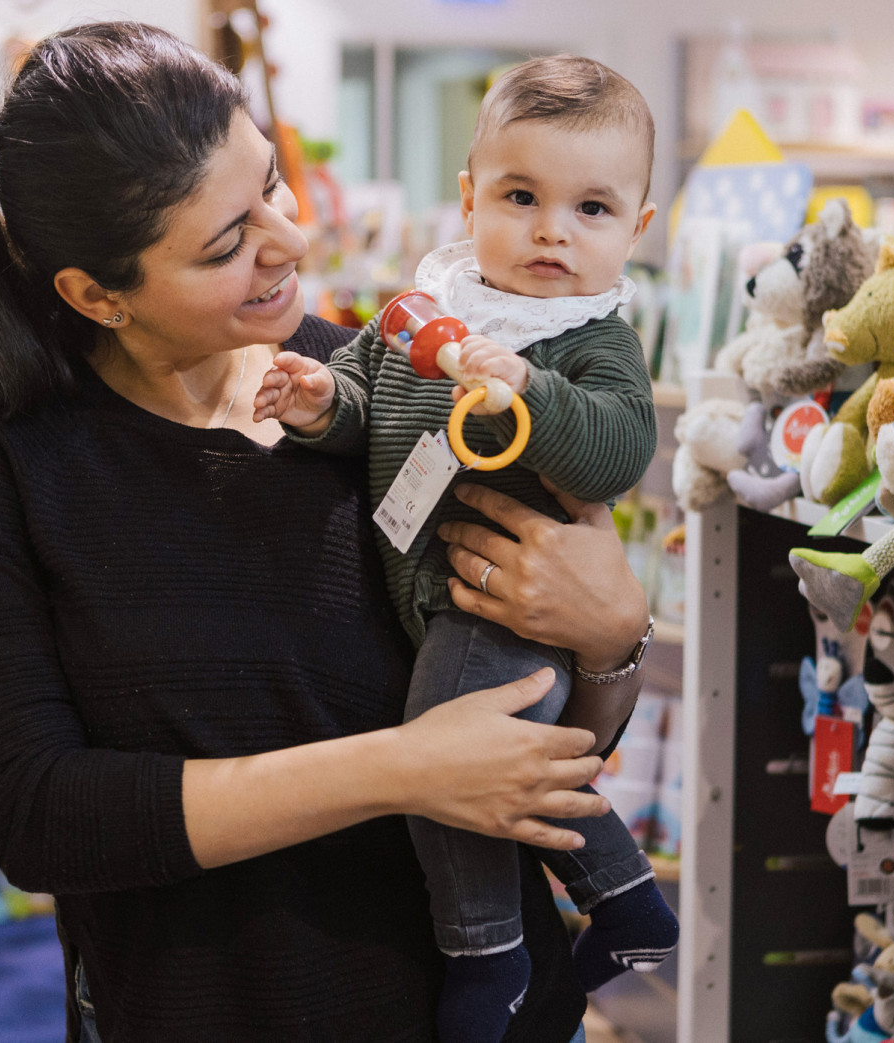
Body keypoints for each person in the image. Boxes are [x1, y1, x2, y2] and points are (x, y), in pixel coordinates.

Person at [0, 22, 653, 1043]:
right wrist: (398, 767)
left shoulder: (382, 383)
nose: (288, 241)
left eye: (272, 187)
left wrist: (611, 638)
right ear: (96, 293)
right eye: (226, 241)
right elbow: (33, 810)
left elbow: (528, 738)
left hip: (490, 1010)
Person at [253, 56, 677, 1043]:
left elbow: (617, 450)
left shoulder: (584, 338)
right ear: (469, 195)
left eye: (591, 210)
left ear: (637, 229)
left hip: (503, 610)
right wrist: (323, 404)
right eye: (520, 196)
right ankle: (627, 908)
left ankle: (490, 958)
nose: (549, 232)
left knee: (446, 764)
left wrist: (526, 385)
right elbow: (369, 394)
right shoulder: (427, 308)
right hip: (447, 598)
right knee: (512, 771)